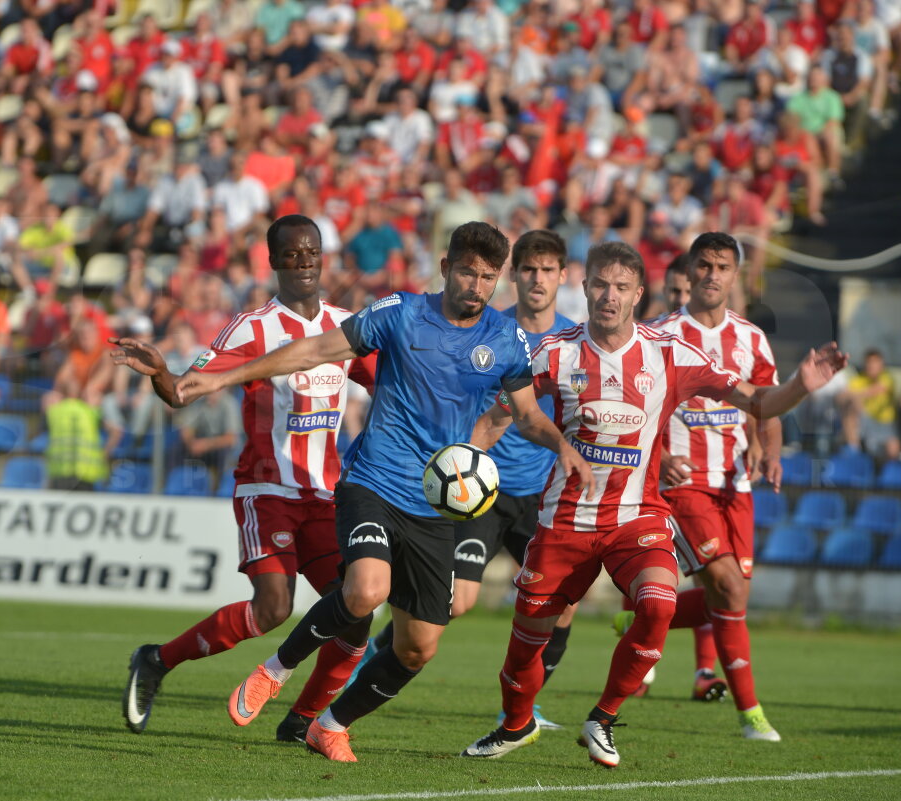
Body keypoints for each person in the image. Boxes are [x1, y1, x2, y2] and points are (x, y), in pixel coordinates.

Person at [176, 221, 594, 763]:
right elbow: (313, 351)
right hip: (373, 481)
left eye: (488, 277)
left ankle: (330, 725)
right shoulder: (400, 312)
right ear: (445, 268)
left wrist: (562, 446)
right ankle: (274, 671)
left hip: (435, 505)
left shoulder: (505, 339)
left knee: (418, 647)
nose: (476, 286)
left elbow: (528, 414)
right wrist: (220, 377)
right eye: (467, 272)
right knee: (365, 592)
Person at [460, 240, 845, 767]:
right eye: (600, 284)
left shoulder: (670, 353)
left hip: (637, 518)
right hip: (566, 518)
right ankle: (514, 724)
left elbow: (757, 401)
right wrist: (463, 466)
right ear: (585, 287)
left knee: (660, 603)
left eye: (621, 287)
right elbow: (499, 418)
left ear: (638, 293)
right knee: (527, 638)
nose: (609, 296)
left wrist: (801, 384)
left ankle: (603, 718)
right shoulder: (554, 352)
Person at [111, 215, 378, 744]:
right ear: (274, 261)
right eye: (292, 254)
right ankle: (157, 660)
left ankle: (301, 722)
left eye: (311, 252)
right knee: (274, 608)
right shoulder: (252, 328)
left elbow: (389, 384)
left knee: (358, 611)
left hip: (326, 496)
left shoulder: (346, 327)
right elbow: (183, 391)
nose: (303, 262)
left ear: (323, 258)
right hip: (267, 490)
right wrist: (162, 372)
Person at [359, 230, 577, 728]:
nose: (538, 279)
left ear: (563, 277)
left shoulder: (571, 341)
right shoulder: (492, 330)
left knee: (561, 604)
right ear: (513, 276)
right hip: (481, 488)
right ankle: (377, 650)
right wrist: (455, 467)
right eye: (529, 269)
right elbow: (484, 413)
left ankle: (522, 708)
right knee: (457, 602)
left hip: (540, 492)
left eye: (548, 270)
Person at [647, 232, 784, 739]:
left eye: (722, 267)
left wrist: (769, 449)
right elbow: (639, 409)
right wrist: (661, 458)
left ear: (734, 275)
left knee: (733, 595)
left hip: (736, 484)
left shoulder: (751, 339)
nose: (712, 275)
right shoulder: (659, 336)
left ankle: (645, 615)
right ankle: (752, 715)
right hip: (683, 484)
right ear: (689, 271)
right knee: (727, 585)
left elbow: (767, 406)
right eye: (704, 265)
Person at [837, 348, 900, 459]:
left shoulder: (887, 377)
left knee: (893, 448)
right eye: (869, 362)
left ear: (881, 364)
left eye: (875, 363)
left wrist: (855, 395)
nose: (872, 366)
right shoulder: (858, 380)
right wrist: (854, 398)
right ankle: (853, 451)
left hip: (885, 426)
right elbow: (840, 397)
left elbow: (876, 390)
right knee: (851, 407)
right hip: (864, 423)